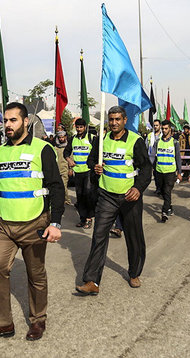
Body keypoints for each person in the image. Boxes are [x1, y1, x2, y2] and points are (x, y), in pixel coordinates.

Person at [0, 102, 64, 342]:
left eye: (13, 120)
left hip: (34, 223)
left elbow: (56, 186)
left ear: (26, 122)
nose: (7, 125)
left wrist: (55, 223)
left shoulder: (43, 149)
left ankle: (38, 320)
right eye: (5, 120)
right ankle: (3, 323)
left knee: (35, 274)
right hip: (5, 225)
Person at [75, 106, 152, 295]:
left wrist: (138, 188)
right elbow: (91, 161)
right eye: (111, 119)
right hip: (106, 196)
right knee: (99, 236)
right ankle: (92, 281)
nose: (114, 123)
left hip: (129, 197)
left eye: (118, 119)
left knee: (134, 237)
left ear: (125, 120)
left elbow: (146, 169)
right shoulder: (101, 141)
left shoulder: (135, 141)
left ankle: (134, 273)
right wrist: (96, 167)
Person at [64, 118, 96, 229]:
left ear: (85, 127)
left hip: (88, 171)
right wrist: (69, 160)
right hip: (77, 172)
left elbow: (97, 153)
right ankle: (82, 219)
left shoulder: (92, 138)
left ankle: (89, 218)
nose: (79, 129)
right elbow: (66, 152)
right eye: (77, 127)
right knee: (80, 196)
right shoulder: (73, 139)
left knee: (88, 194)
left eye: (81, 127)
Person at [153, 121, 182, 222]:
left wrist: (179, 172)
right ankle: (169, 207)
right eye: (163, 129)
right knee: (162, 192)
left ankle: (164, 212)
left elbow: (178, 158)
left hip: (170, 172)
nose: (164, 131)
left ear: (170, 129)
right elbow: (152, 156)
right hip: (159, 171)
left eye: (166, 129)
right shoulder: (157, 142)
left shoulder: (175, 143)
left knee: (167, 191)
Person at [54, 130, 73, 205]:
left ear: (65, 137)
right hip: (56, 170)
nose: (61, 139)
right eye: (60, 137)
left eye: (63, 137)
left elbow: (71, 159)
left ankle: (67, 200)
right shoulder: (55, 148)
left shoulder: (68, 148)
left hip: (65, 169)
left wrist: (71, 169)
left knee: (63, 186)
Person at [146, 119, 161, 194]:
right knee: (155, 174)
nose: (155, 127)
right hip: (152, 157)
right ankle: (158, 188)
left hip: (161, 158)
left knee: (161, 174)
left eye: (157, 125)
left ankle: (162, 188)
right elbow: (146, 146)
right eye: (154, 125)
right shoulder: (149, 136)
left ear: (160, 126)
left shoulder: (162, 136)